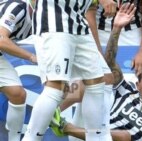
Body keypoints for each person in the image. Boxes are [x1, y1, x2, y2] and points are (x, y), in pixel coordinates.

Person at [50, 3, 142, 141]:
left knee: (125, 137)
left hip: (116, 138)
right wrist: (116, 28)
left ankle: (64, 127)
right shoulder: (126, 91)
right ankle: (52, 113)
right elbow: (108, 63)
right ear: (137, 85)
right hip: (94, 135)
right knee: (93, 79)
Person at [21, 0, 116, 141]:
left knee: (98, 82)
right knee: (55, 87)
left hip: (79, 21)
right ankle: (30, 138)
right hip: (54, 18)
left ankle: (96, 137)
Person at [0, 0, 37, 141]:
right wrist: (31, 56)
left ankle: (14, 139)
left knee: (17, 94)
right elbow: (1, 40)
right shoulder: (18, 7)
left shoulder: (39, 18)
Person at [96, 0, 142, 75]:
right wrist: (97, 51)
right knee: (101, 75)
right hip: (100, 31)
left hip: (132, 32)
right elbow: (88, 14)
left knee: (133, 75)